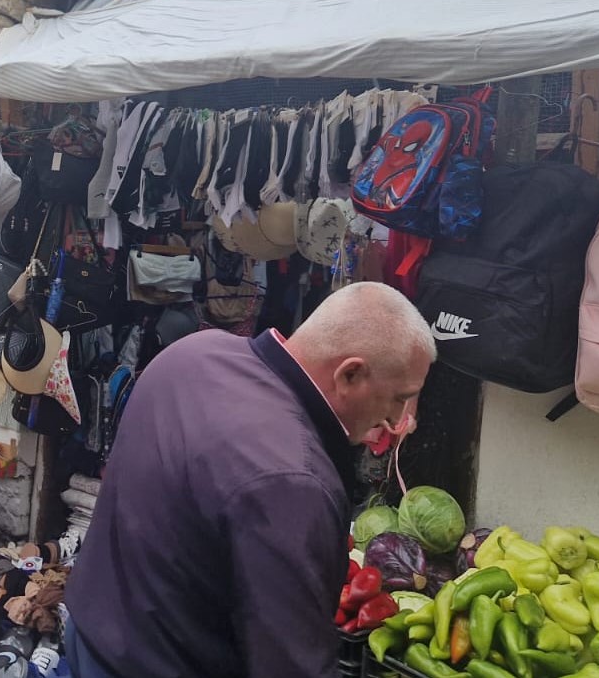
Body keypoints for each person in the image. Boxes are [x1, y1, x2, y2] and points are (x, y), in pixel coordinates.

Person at [63, 282, 436, 678]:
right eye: (398, 398)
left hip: (94, 631)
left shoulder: (196, 351)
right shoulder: (294, 479)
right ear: (350, 374)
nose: (398, 422)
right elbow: (292, 665)